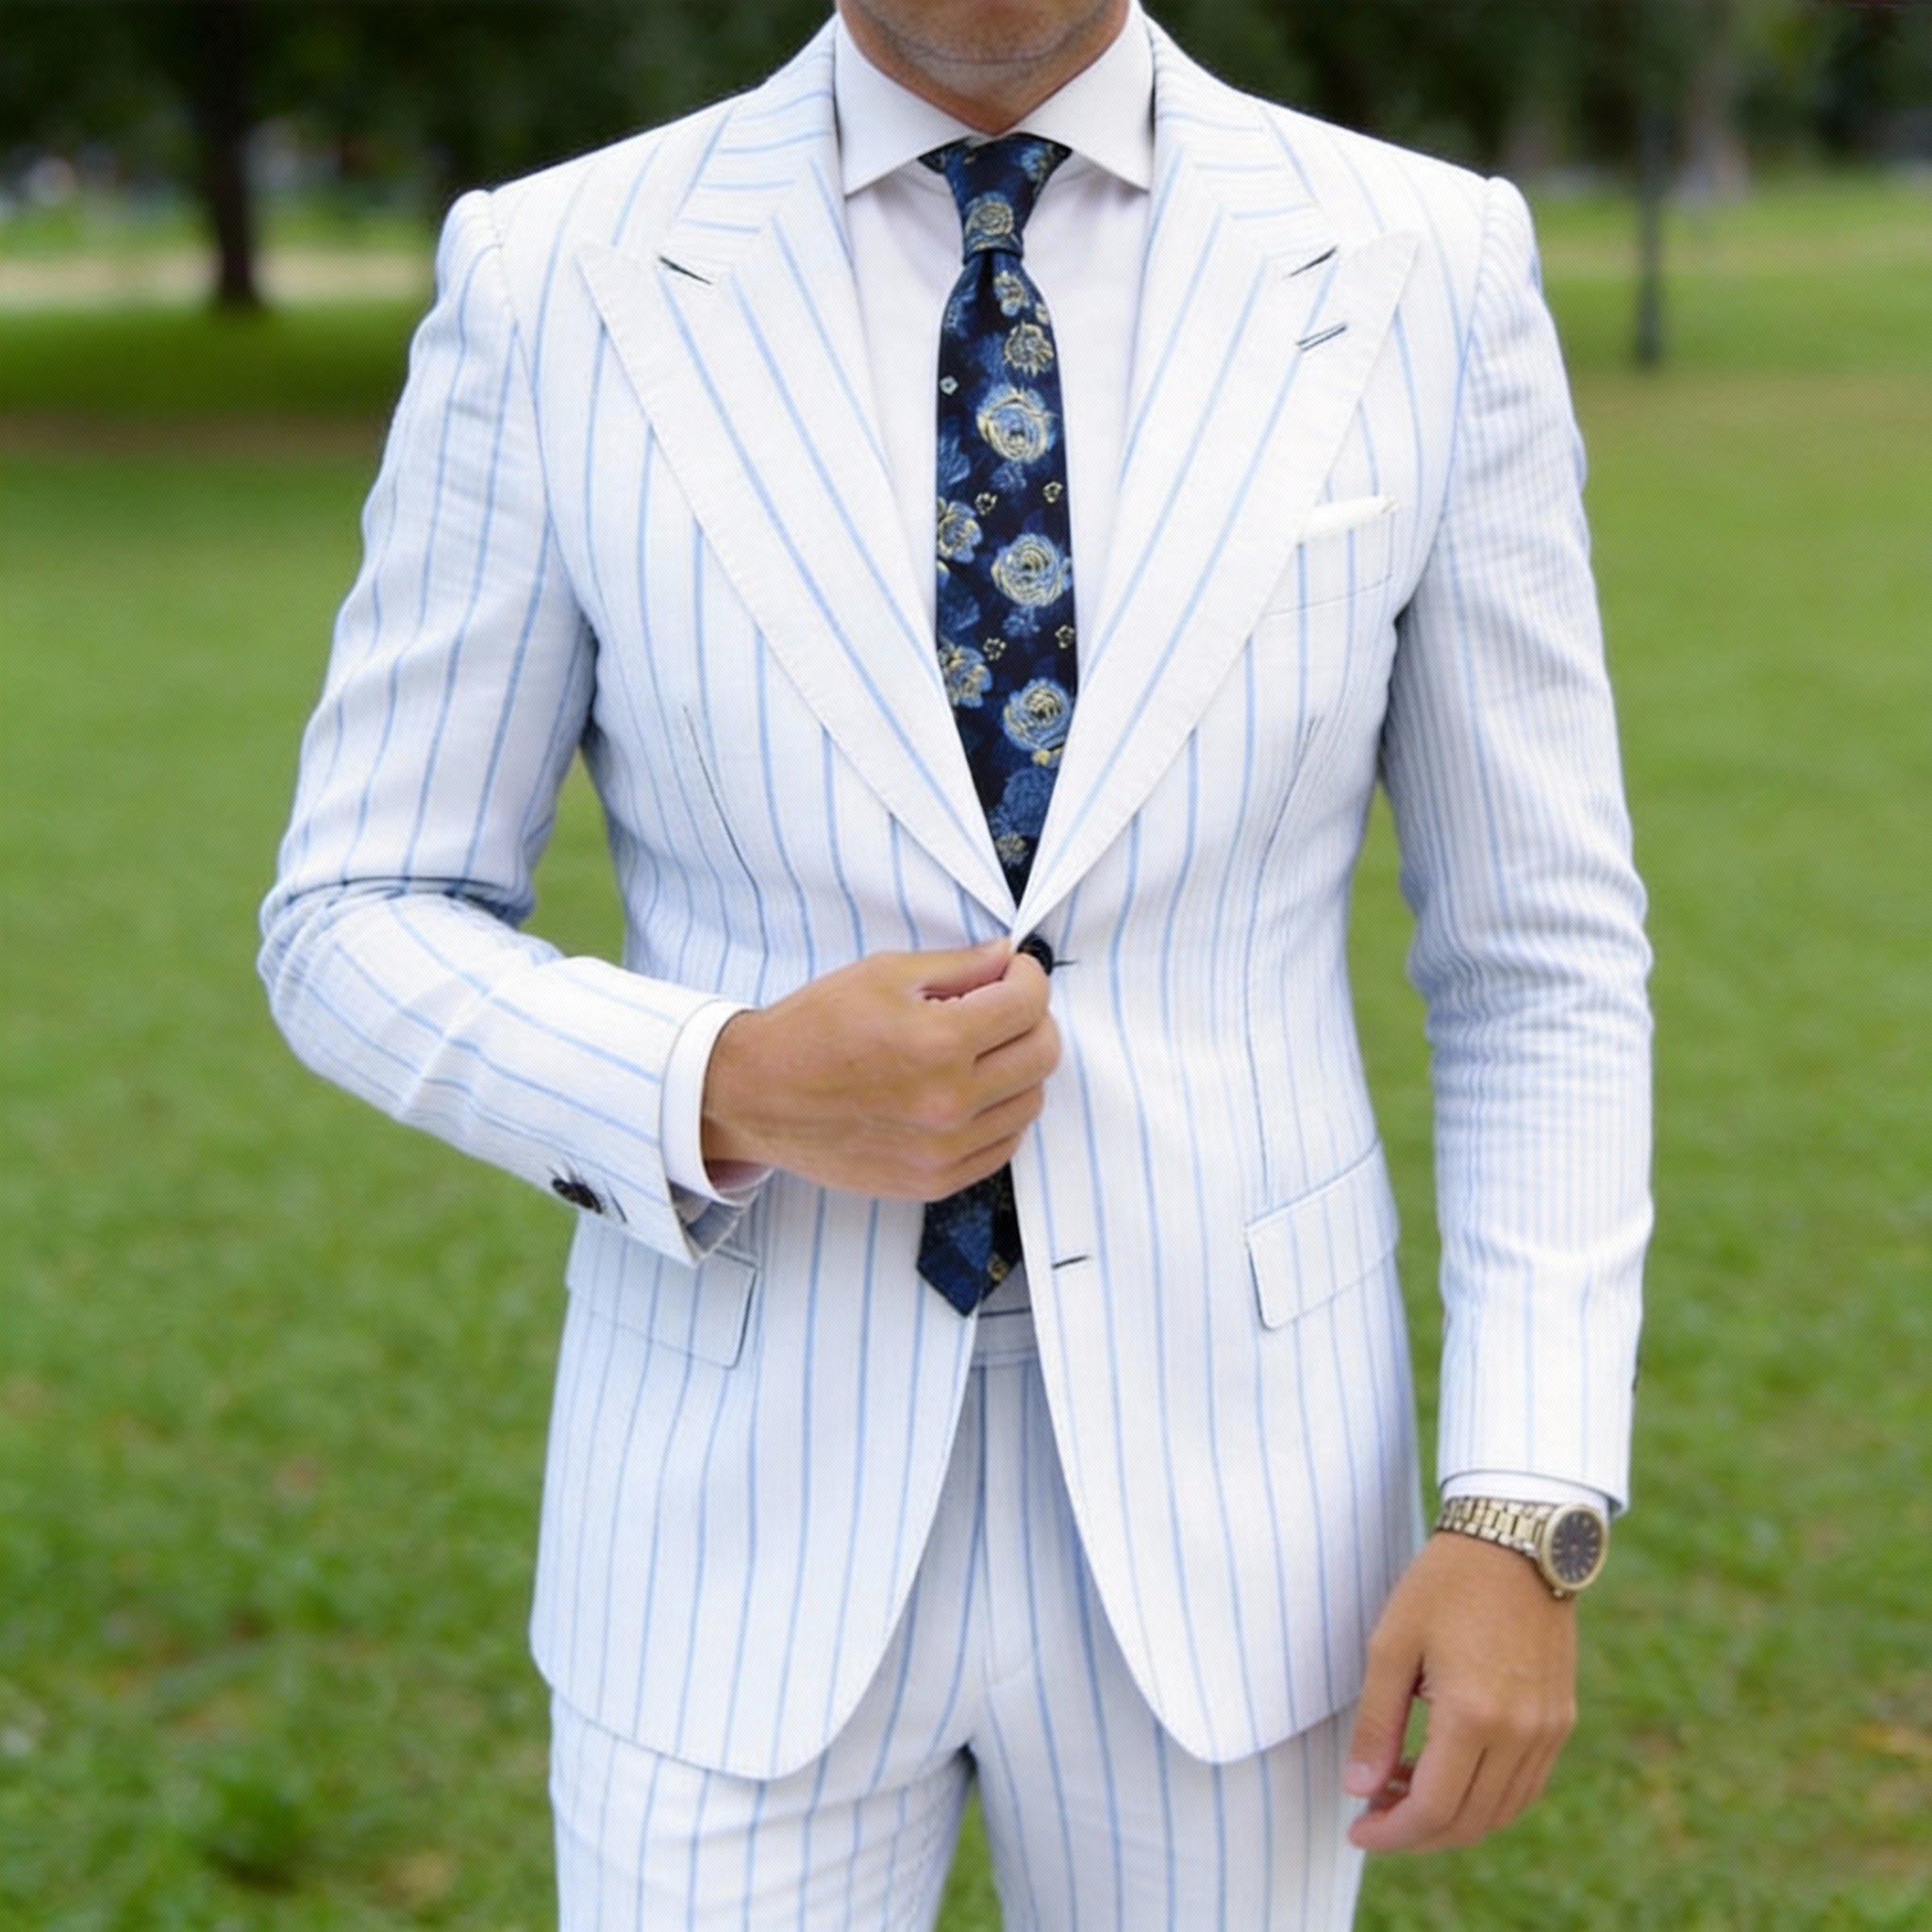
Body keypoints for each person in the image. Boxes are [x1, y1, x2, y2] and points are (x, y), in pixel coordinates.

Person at [259, 0, 1653, 1924]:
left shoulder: (1426, 261)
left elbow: (1539, 953)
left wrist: (1523, 1497)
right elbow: (354, 910)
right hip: (726, 1524)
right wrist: (723, 1082)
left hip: (1247, 1526)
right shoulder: (555, 272)